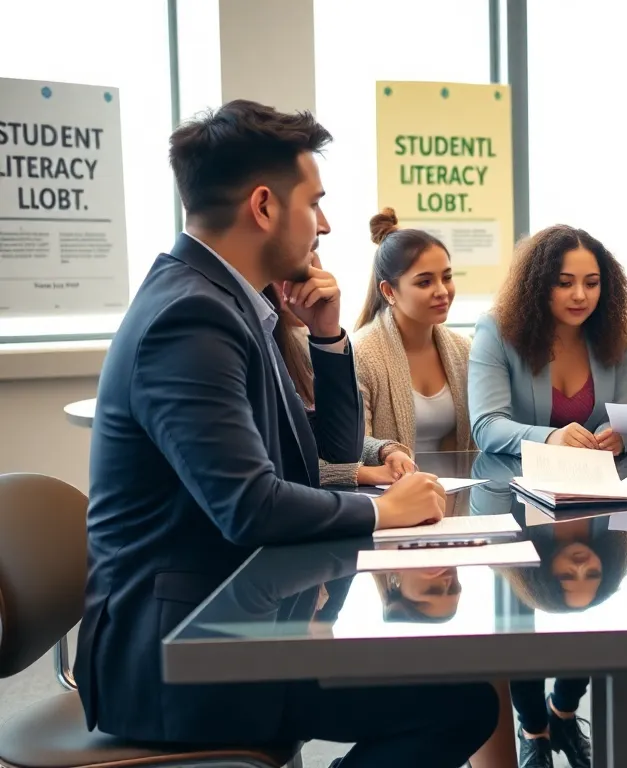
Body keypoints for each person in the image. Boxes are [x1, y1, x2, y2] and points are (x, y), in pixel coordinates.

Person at [76, 100, 497, 767]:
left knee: (453, 693)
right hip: (181, 657)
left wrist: (328, 335)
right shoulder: (190, 318)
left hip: (232, 620)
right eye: (316, 203)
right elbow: (248, 505)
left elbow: (325, 451)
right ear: (266, 207)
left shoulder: (233, 302)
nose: (325, 224)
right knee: (459, 704)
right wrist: (382, 510)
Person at [470, 451, 627, 768]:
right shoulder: (519, 560)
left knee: (580, 623)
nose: (580, 566)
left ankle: (562, 714)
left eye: (569, 575)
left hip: (583, 466)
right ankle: (534, 732)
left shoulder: (611, 538)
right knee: (523, 640)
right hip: (521, 469)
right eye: (591, 573)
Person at [469, 224, 627, 456]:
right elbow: (486, 426)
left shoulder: (614, 335)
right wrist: (550, 438)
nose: (580, 295)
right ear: (537, 285)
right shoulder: (496, 331)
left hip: (597, 482)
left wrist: (614, 436)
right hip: (513, 483)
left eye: (591, 284)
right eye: (564, 283)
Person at [266, 261, 417, 488]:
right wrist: (359, 473)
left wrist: (383, 450)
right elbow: (277, 461)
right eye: (305, 266)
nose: (319, 277)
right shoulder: (240, 330)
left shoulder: (298, 340)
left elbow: (335, 446)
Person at [352, 207, 475, 462]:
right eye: (425, 282)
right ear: (389, 291)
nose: (442, 291)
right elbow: (354, 443)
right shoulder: (362, 353)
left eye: (447, 277)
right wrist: (386, 451)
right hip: (391, 494)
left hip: (457, 496)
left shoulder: (463, 349)